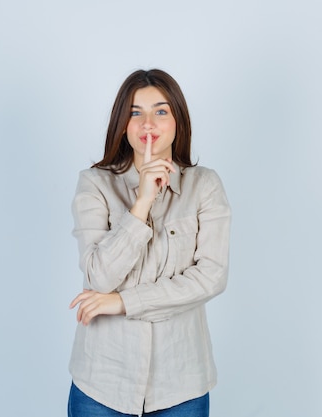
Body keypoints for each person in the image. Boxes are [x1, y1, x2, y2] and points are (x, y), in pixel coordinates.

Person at [67, 69, 231, 416]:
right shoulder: (93, 185)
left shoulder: (205, 186)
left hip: (181, 383)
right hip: (102, 383)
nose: (148, 123)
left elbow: (211, 277)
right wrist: (141, 203)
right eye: (135, 112)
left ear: (177, 120)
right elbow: (99, 276)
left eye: (160, 111)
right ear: (122, 124)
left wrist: (123, 302)